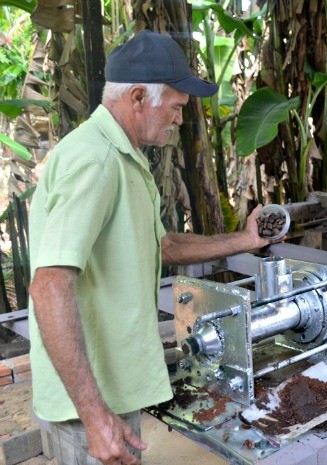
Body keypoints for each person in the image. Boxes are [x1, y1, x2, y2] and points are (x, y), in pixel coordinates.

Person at [27, 30, 269, 465]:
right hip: (89, 398)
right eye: (176, 107)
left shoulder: (125, 157)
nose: (179, 120)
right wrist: (95, 415)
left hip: (110, 386)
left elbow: (163, 244)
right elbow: (49, 285)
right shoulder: (95, 162)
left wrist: (245, 240)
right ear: (138, 97)